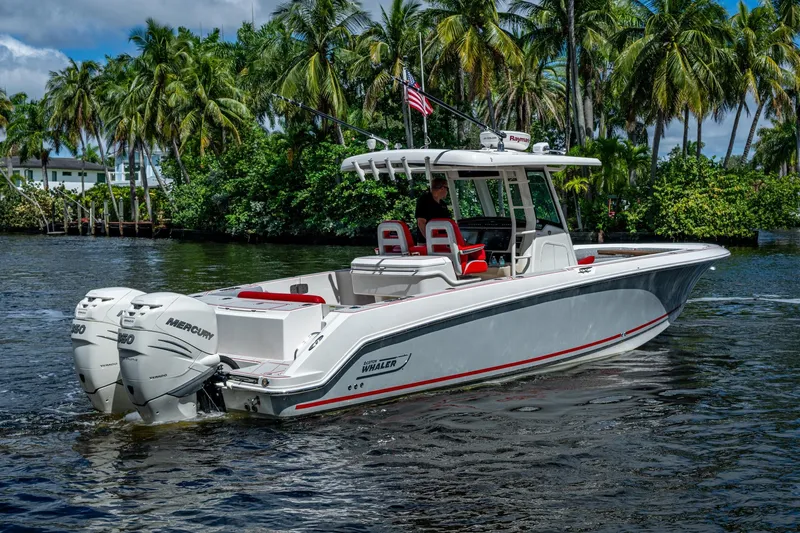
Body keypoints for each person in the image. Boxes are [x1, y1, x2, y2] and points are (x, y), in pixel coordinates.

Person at [415, 177, 451, 242]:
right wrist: (430, 241)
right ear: (442, 188)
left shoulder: (443, 204)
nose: (447, 191)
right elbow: (421, 223)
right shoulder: (424, 200)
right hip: (427, 243)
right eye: (447, 189)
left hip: (443, 240)